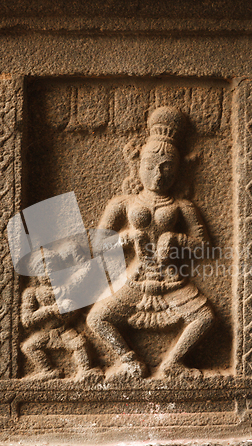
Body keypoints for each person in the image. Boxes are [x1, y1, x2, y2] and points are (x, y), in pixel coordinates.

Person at [87, 106, 215, 380]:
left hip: (171, 278)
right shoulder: (122, 203)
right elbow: (97, 245)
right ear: (138, 166)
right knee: (96, 319)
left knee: (205, 318)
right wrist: (127, 238)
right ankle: (130, 361)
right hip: (135, 278)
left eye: (167, 167)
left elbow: (204, 246)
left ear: (179, 170)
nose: (158, 174)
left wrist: (176, 240)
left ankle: (173, 363)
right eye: (151, 166)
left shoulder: (183, 206)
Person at [21, 247, 103, 382]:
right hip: (45, 333)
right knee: (28, 347)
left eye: (53, 268)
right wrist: (51, 310)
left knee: (80, 344)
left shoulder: (67, 286)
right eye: (42, 270)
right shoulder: (32, 293)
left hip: (64, 331)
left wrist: (73, 249)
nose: (48, 273)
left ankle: (85, 371)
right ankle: (48, 371)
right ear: (36, 274)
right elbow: (27, 320)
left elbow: (88, 268)